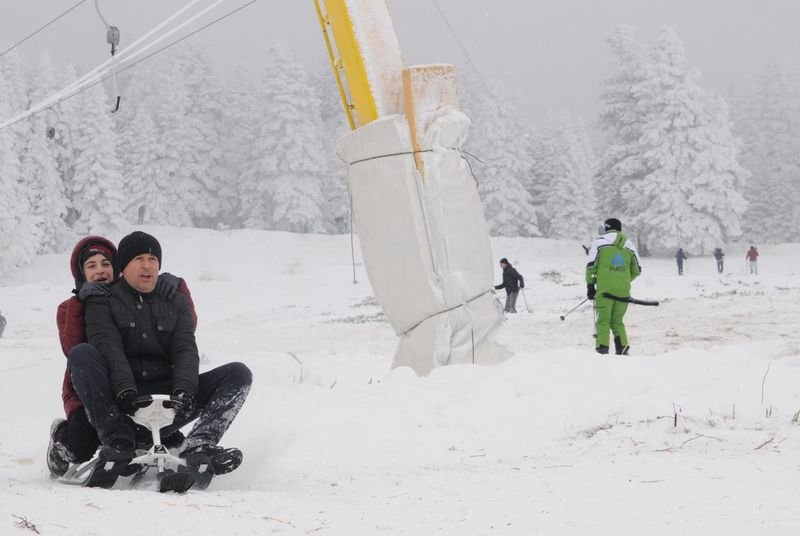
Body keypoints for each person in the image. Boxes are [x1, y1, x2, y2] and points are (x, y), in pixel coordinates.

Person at [68, 231, 252, 487]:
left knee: (238, 373)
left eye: (153, 259)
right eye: (139, 259)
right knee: (81, 355)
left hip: (169, 404)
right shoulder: (103, 301)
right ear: (124, 266)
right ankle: (118, 443)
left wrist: (184, 393)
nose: (147, 265)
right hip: (123, 405)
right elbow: (109, 349)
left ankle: (199, 444)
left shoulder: (175, 300)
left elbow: (185, 349)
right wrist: (126, 393)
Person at [47, 236, 196, 478]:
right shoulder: (68, 307)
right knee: (80, 447)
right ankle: (60, 441)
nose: (100, 271)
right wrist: (80, 303)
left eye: (105, 264)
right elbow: (71, 347)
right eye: (91, 266)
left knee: (165, 433)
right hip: (90, 393)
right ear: (81, 272)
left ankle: (139, 446)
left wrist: (177, 288)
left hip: (131, 387)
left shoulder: (125, 299)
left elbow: (184, 331)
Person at [585, 218, 641, 355]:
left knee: (603, 321)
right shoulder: (629, 245)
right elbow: (637, 270)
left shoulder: (599, 243)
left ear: (606, 228)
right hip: (623, 291)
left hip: (605, 291)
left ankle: (602, 349)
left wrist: (591, 286)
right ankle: (622, 346)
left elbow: (591, 267)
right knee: (617, 321)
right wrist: (622, 280)